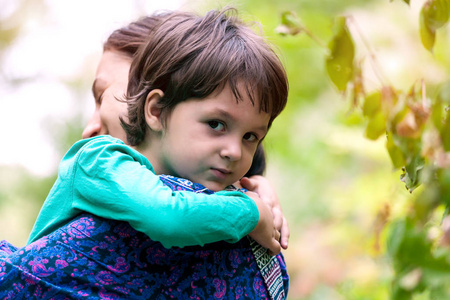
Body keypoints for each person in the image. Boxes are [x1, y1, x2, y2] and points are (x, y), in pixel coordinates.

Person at [0, 8, 289, 299]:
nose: (234, 150)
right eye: (216, 124)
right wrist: (250, 211)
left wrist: (255, 192)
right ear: (156, 109)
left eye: (251, 136)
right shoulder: (100, 159)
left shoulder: (202, 173)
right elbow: (169, 216)